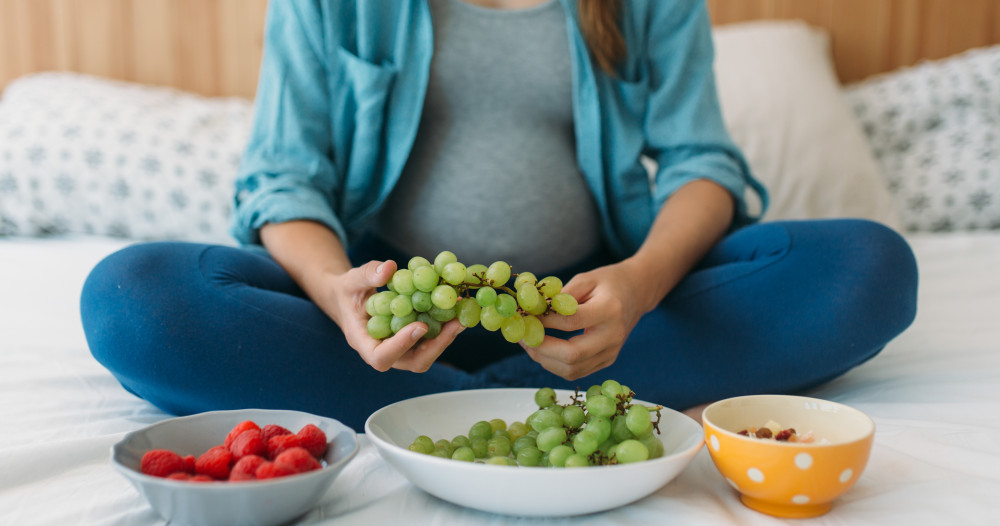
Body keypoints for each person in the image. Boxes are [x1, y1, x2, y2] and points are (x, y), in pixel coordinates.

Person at [81, 0, 918, 431]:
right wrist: (337, 292)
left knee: (867, 268)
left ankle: (457, 406)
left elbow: (703, 166)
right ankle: (484, 400)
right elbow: (282, 179)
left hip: (592, 314)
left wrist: (639, 283)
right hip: (380, 311)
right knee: (135, 296)